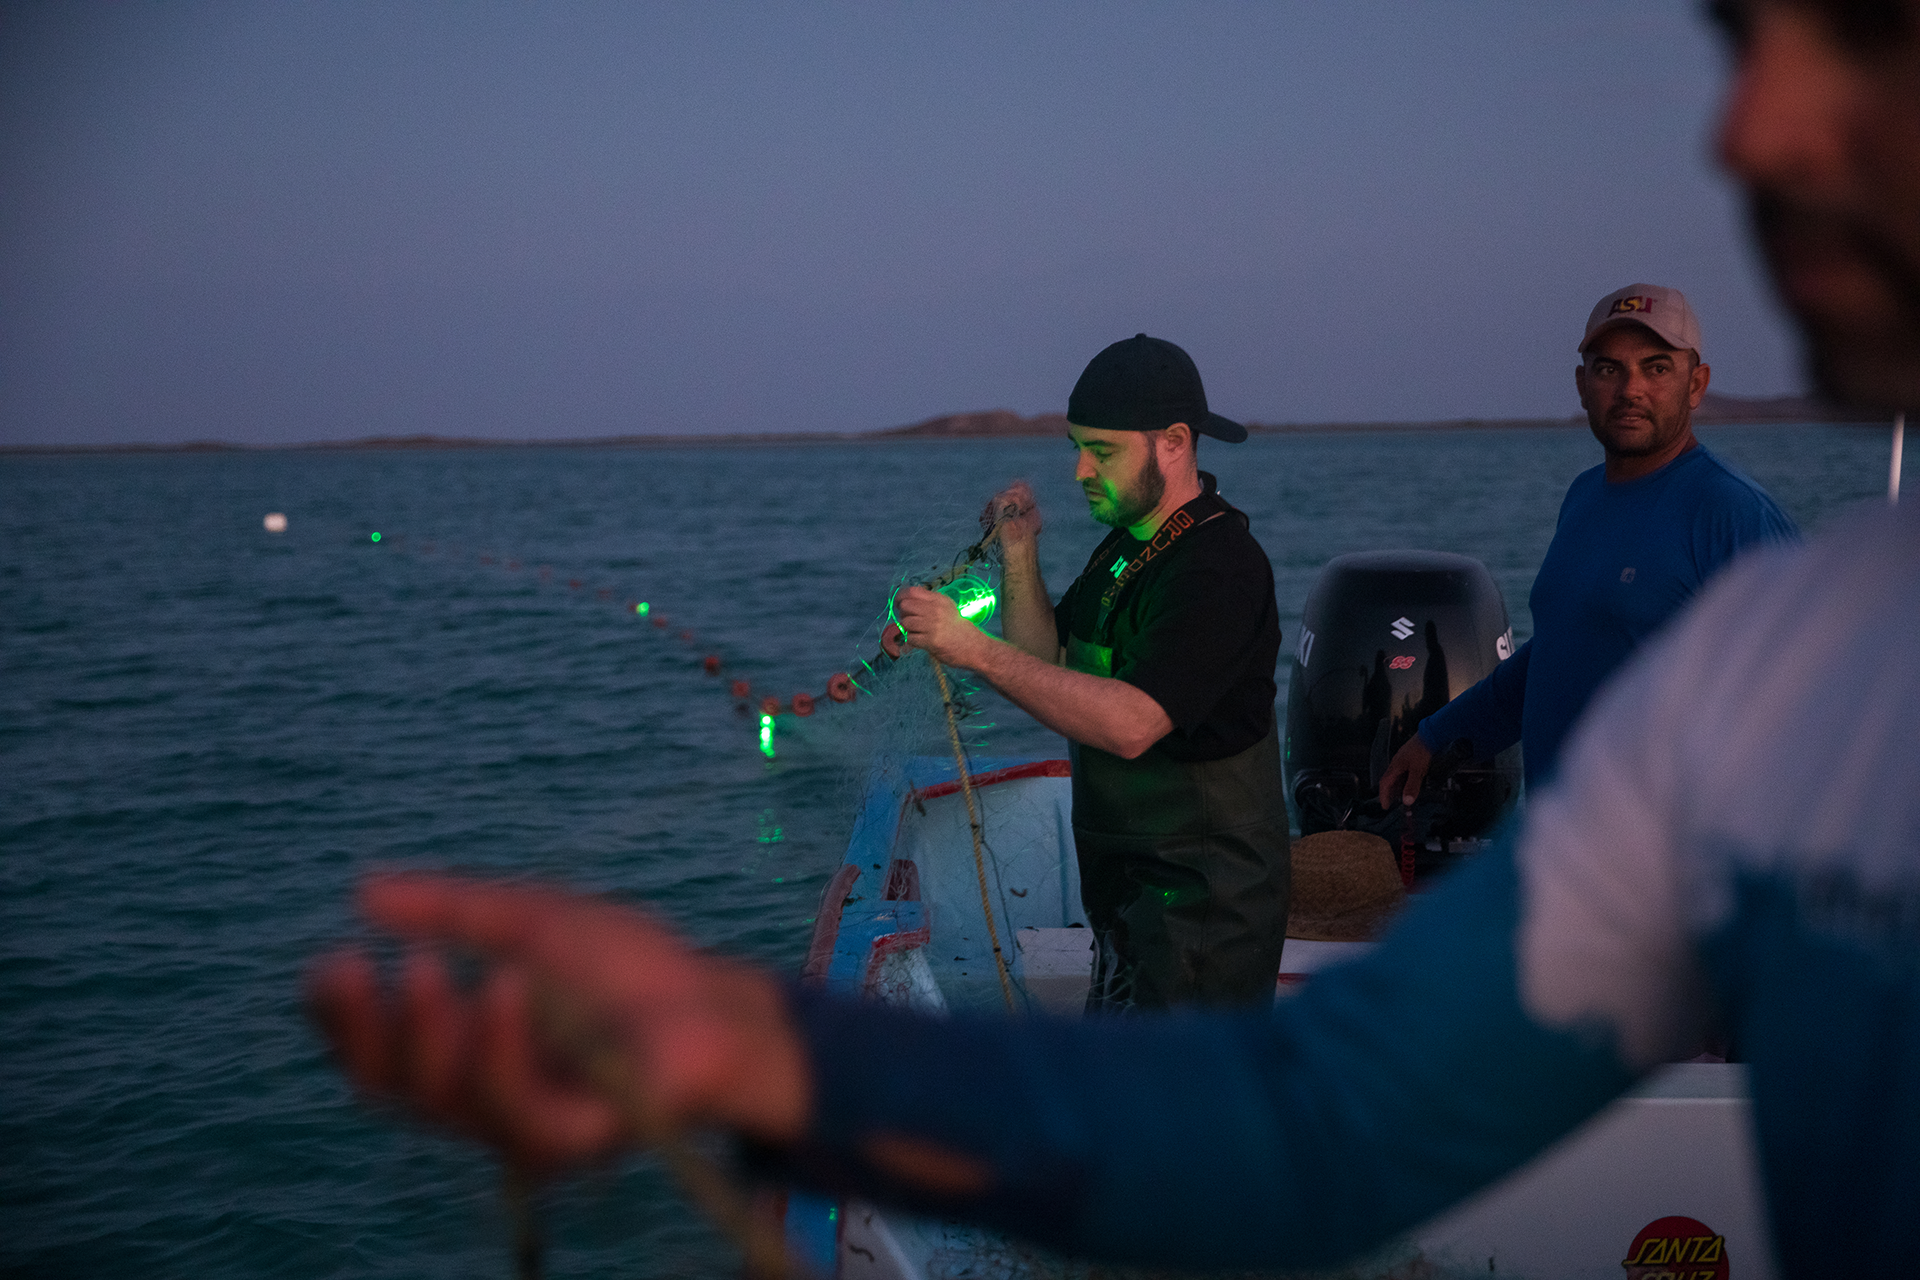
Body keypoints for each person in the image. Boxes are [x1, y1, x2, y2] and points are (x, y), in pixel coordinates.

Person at [308, 2, 1920, 1275]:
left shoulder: (1733, 573)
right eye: (1603, 362)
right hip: (1265, 894)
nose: (1752, 126)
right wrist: (765, 1058)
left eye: (1860, 29)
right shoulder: (1754, 655)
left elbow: (1129, 721)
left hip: (1216, 888)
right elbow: (1335, 1108)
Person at [888, 333, 1288, 1011]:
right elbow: (1049, 663)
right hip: (1131, 898)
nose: (1079, 470)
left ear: (1174, 442)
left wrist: (974, 649)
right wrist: (1019, 551)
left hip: (1205, 910)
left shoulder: (1217, 568)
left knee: (1169, 1106)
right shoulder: (1129, 545)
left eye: (1101, 451)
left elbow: (1132, 723)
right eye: (1076, 446)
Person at [1377, 283, 1798, 810]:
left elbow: (1804, 699)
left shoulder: (1732, 514)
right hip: (1564, 852)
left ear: (1697, 383)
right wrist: (1436, 736)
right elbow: (1558, 654)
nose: (1631, 389)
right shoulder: (1582, 496)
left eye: (1657, 368)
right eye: (1608, 369)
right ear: (1582, 385)